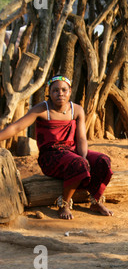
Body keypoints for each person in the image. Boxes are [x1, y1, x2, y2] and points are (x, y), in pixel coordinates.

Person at [0, 75, 114, 220]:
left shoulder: (77, 110)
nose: (60, 93)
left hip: (72, 151)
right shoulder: (42, 109)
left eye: (64, 90)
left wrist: (84, 157)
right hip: (51, 157)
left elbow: (81, 138)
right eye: (55, 90)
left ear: (70, 91)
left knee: (103, 160)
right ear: (49, 92)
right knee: (79, 164)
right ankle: (64, 204)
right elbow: (16, 127)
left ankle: (95, 201)